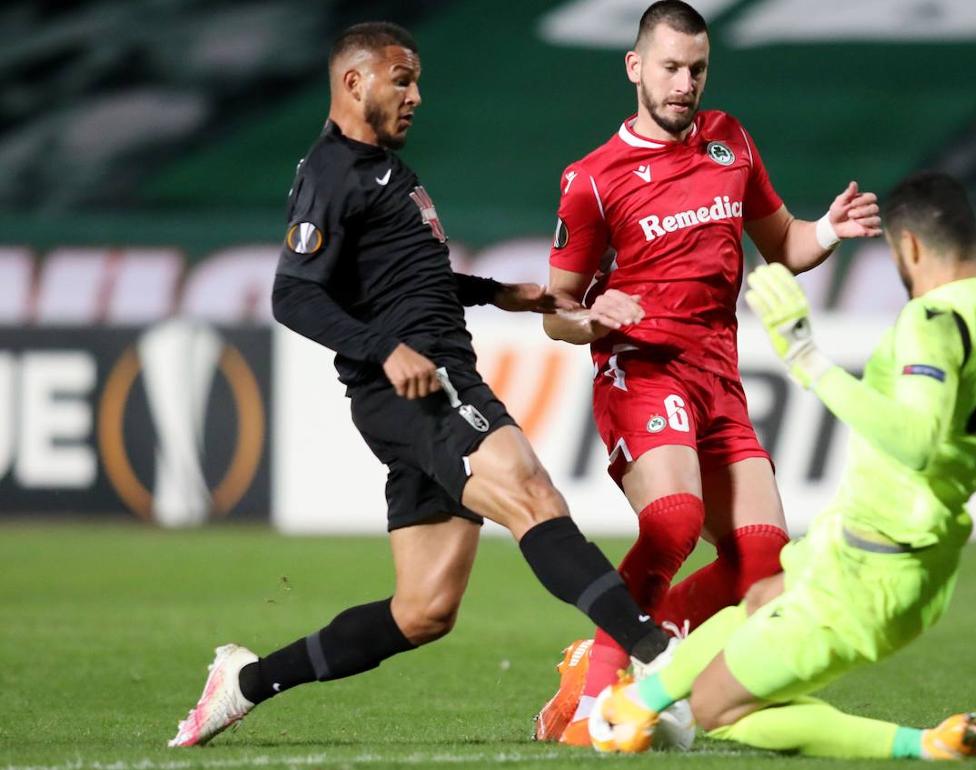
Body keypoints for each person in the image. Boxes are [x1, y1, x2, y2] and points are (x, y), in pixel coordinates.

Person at [168, 21, 674, 748]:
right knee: (531, 493)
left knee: (424, 610)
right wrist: (385, 350)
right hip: (422, 388)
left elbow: (404, 278)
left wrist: (497, 293)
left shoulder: (379, 171)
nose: (416, 96)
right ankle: (654, 655)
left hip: (423, 386)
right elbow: (293, 293)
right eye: (401, 80)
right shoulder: (332, 172)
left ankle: (244, 683)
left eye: (417, 82)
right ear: (354, 83)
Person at [591, 171, 976, 760]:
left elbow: (917, 442)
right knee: (763, 595)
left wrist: (807, 359)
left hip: (874, 570)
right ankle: (641, 697)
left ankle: (927, 745)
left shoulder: (934, 321)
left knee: (718, 710)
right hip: (887, 550)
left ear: (909, 247)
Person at [533, 1, 883, 745]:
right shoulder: (593, 179)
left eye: (697, 69)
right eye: (670, 67)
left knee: (762, 565)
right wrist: (593, 316)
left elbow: (783, 243)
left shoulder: (730, 142)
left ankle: (617, 656)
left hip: (717, 379)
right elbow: (555, 312)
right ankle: (593, 707)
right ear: (635, 67)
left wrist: (828, 230)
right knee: (673, 520)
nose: (684, 84)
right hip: (641, 371)